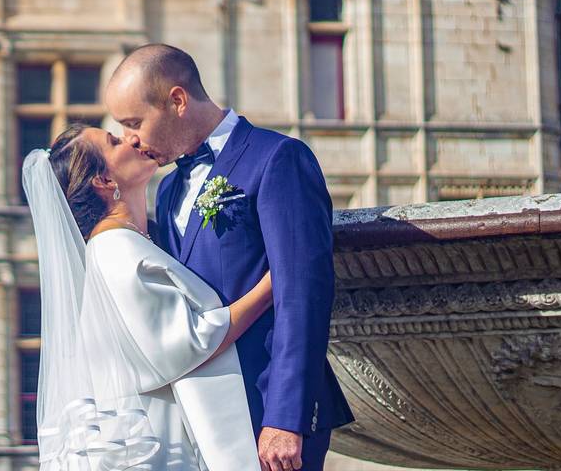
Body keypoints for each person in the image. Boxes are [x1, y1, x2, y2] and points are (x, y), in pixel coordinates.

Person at [104, 44, 355, 471]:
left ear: (177, 101)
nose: (131, 139)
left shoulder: (277, 159)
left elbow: (302, 295)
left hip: (268, 415)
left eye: (134, 123)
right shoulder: (167, 191)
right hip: (208, 417)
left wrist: (284, 417)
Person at [23, 122, 275, 470]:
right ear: (104, 181)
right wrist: (273, 282)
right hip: (162, 447)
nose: (131, 138)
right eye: (114, 141)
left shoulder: (136, 241)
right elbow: (187, 341)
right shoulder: (114, 249)